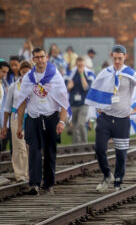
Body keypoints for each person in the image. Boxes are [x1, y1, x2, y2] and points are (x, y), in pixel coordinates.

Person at [86, 44, 136, 192]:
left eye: (120, 58)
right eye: (115, 58)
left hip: (122, 119)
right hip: (105, 117)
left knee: (121, 154)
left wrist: (135, 110)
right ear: (111, 56)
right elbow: (96, 90)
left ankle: (118, 181)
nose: (117, 61)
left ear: (125, 57)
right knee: (99, 148)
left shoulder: (130, 73)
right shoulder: (105, 73)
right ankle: (107, 175)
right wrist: (98, 105)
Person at [12, 48, 70, 195]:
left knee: (50, 151)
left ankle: (49, 184)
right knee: (34, 151)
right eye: (37, 57)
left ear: (47, 57)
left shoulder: (55, 76)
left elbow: (63, 100)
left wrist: (62, 121)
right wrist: (19, 125)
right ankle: (34, 184)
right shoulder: (28, 78)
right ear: (33, 59)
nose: (40, 60)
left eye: (42, 57)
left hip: (51, 117)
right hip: (33, 117)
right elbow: (22, 102)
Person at [1, 60, 31, 183]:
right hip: (15, 117)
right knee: (19, 146)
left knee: (29, 147)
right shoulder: (14, 86)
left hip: (31, 117)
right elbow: (7, 108)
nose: (25, 75)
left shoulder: (36, 86)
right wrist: (4, 126)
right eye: (23, 72)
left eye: (28, 72)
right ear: (20, 72)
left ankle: (30, 172)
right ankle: (21, 174)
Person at [66, 56, 94, 143]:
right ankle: (76, 146)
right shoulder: (71, 74)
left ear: (84, 63)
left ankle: (84, 144)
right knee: (74, 126)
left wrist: (82, 74)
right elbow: (67, 89)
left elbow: (86, 87)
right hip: (73, 103)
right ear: (76, 64)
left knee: (81, 124)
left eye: (81, 64)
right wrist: (69, 87)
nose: (80, 66)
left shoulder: (89, 73)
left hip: (83, 103)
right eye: (78, 65)